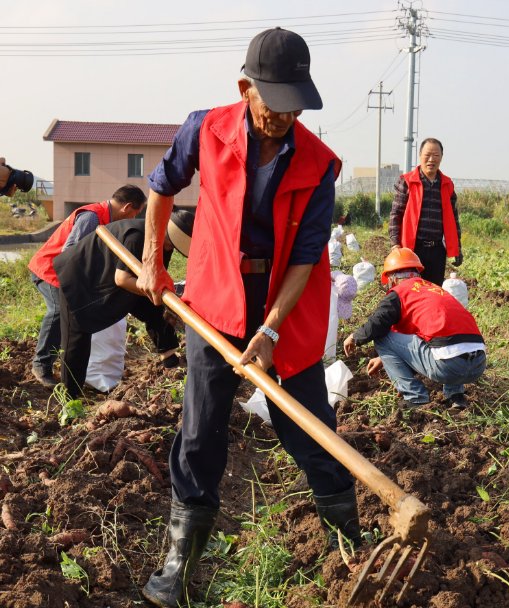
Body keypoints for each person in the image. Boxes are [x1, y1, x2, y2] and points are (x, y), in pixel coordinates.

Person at [135, 28, 358, 607]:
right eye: (273, 103)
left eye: (295, 105)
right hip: (214, 290)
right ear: (245, 88)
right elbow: (161, 188)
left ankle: (349, 544)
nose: (285, 116)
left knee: (308, 423)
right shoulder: (204, 129)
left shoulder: (318, 164)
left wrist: (270, 329)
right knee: (202, 426)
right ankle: (179, 564)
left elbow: (308, 256)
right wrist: (154, 263)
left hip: (285, 298)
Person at [53, 209, 194, 399]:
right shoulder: (139, 237)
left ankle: (170, 360)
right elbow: (122, 279)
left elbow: (154, 276)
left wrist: (161, 297)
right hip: (82, 277)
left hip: (112, 277)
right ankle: (70, 397)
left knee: (157, 310)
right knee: (77, 337)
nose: (170, 249)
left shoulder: (164, 244)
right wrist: (156, 292)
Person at [27, 185, 146, 387]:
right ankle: (41, 364)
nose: (134, 219)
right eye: (136, 213)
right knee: (58, 311)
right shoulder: (92, 217)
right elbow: (69, 253)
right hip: (50, 271)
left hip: (66, 274)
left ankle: (66, 362)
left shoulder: (106, 219)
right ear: (127, 207)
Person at [343, 248, 486, 411]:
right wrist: (385, 361)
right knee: (448, 339)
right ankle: (456, 398)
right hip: (478, 364)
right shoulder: (435, 289)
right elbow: (420, 339)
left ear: (392, 277)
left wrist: (354, 337)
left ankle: (415, 397)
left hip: (449, 367)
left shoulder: (398, 293)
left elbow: (377, 325)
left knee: (382, 337)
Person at [389, 138, 462, 286]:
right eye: (427, 155)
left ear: (441, 156)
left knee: (434, 292)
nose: (431, 160)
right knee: (410, 290)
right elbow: (396, 214)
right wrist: (395, 245)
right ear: (420, 154)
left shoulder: (447, 184)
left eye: (436, 155)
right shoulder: (407, 181)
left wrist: (457, 247)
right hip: (412, 250)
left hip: (437, 252)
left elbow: (453, 219)